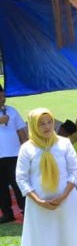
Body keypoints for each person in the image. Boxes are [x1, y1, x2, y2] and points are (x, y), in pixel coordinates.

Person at [16, 108, 77, 246]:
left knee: (71, 237)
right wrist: (39, 201)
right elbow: (21, 177)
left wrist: (63, 196)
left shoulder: (64, 143)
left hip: (66, 200)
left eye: (49, 122)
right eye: (41, 123)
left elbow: (74, 170)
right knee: (44, 242)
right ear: (33, 125)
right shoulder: (27, 148)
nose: (47, 127)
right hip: (39, 204)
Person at [0, 83, 27, 223]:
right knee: (1, 187)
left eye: (3, 96)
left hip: (14, 155)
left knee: (18, 184)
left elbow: (21, 131)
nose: (2, 99)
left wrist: (27, 149)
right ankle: (7, 213)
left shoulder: (12, 111)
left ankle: (26, 211)